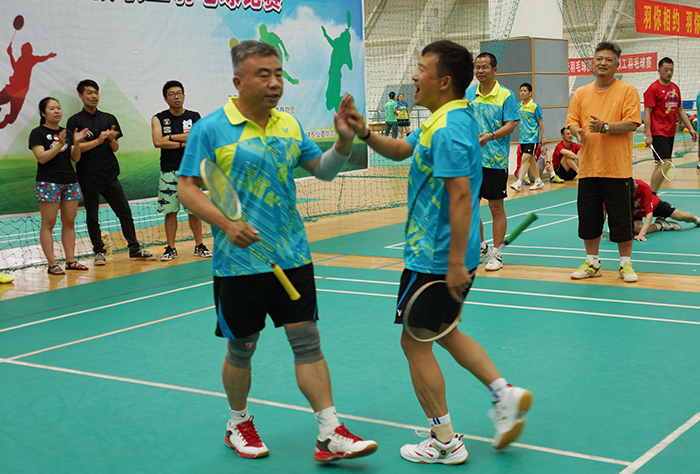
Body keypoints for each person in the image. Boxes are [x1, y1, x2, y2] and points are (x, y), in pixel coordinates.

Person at [177, 40, 377, 463]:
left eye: (278, 74)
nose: (274, 83)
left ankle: (329, 431)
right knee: (241, 348)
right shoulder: (210, 129)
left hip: (292, 253)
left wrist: (343, 143)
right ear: (238, 82)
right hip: (239, 263)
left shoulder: (289, 124)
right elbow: (187, 189)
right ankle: (238, 422)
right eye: (263, 75)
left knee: (307, 341)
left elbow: (322, 171)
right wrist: (226, 224)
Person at [346, 39, 532, 465]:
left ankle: (445, 441)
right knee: (445, 332)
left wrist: (452, 263)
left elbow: (462, 197)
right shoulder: (449, 117)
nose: (414, 75)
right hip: (446, 255)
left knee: (415, 344)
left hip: (434, 256)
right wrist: (364, 132)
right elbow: (400, 149)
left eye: (422, 69)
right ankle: (504, 394)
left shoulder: (447, 129)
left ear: (444, 81)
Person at [566, 42, 641, 283]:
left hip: (617, 170)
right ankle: (593, 262)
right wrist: (576, 130)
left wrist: (605, 127)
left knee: (621, 221)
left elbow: (632, 122)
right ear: (593, 62)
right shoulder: (581, 93)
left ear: (617, 64)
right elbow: (572, 121)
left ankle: (625, 263)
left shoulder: (627, 90)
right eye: (599, 59)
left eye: (608, 59)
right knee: (589, 219)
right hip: (588, 169)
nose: (603, 63)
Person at [67, 80, 155, 265]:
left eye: (96, 92)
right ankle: (99, 252)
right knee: (92, 216)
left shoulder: (109, 118)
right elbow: (74, 151)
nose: (94, 96)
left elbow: (115, 148)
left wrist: (112, 139)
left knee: (125, 212)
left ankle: (134, 249)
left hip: (110, 175)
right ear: (81, 96)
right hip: (88, 177)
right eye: (89, 93)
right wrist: (98, 141)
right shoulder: (75, 121)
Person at [465, 52, 518, 271]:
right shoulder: (468, 94)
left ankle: (496, 254)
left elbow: (511, 124)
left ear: (494, 70)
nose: (480, 71)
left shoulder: (506, 95)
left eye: (485, 67)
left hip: (495, 161)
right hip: (471, 161)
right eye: (477, 67)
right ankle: (481, 246)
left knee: (496, 208)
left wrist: (490, 136)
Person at [151, 80, 212, 261]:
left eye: (179, 93)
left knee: (194, 211)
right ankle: (171, 248)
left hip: (190, 171)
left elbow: (197, 137)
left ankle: (199, 245)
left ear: (184, 96)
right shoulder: (158, 118)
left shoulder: (194, 116)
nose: (176, 97)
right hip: (168, 171)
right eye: (171, 94)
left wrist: (169, 137)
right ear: (165, 98)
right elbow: (158, 141)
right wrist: (183, 142)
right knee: (171, 211)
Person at [29, 97, 89, 274]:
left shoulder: (66, 132)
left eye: (59, 108)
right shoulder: (37, 133)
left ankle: (70, 261)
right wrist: (60, 144)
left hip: (70, 181)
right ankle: (52, 264)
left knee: (69, 222)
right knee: (49, 223)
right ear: (43, 113)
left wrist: (75, 143)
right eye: (52, 108)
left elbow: (75, 158)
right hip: (48, 182)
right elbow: (42, 157)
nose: (57, 111)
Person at [643, 57, 697, 193]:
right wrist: (648, 135)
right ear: (659, 70)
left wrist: (690, 128)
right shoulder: (653, 89)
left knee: (662, 164)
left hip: (670, 132)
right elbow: (647, 113)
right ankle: (651, 194)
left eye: (671, 70)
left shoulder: (675, 88)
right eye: (666, 70)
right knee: (666, 162)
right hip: (658, 132)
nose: (669, 73)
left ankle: (650, 195)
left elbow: (680, 110)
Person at [0, 42, 56, 129]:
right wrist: (10, 55)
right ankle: (7, 120)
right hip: (13, 87)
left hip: (20, 90)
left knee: (14, 114)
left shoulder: (30, 58)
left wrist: (48, 56)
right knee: (8, 106)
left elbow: (40, 59)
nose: (23, 51)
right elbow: (15, 67)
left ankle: (6, 120)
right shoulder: (21, 58)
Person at [631, 179, 700, 241]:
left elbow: (649, 214)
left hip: (654, 206)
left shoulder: (644, 187)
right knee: (638, 228)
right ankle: (660, 225)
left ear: (636, 188)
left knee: (682, 216)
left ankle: (697, 220)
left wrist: (641, 235)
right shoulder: (624, 188)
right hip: (635, 210)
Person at [511, 83, 545, 191]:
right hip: (523, 138)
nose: (522, 93)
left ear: (530, 93)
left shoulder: (535, 106)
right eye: (521, 91)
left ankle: (519, 182)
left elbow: (541, 122)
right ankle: (538, 181)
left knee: (525, 158)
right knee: (531, 160)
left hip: (532, 138)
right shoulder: (518, 106)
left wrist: (543, 137)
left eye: (525, 91)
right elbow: (516, 121)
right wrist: (509, 130)